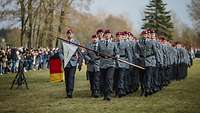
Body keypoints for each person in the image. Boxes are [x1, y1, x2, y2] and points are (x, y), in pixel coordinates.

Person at [59, 28, 83, 98]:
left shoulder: (76, 42)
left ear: (73, 34)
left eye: (71, 33)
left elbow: (80, 53)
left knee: (71, 77)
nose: (69, 34)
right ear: (66, 34)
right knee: (66, 78)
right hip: (66, 62)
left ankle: (70, 92)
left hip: (73, 62)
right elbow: (60, 52)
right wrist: (63, 58)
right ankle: (67, 92)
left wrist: (80, 62)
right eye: (68, 33)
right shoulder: (63, 42)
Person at [98, 29, 119, 101]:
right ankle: (105, 95)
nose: (107, 35)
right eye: (106, 34)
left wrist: (117, 56)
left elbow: (117, 53)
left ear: (110, 35)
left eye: (109, 34)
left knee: (109, 79)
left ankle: (109, 94)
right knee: (103, 80)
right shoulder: (100, 43)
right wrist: (99, 54)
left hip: (111, 63)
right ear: (104, 35)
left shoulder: (114, 43)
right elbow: (97, 52)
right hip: (102, 63)